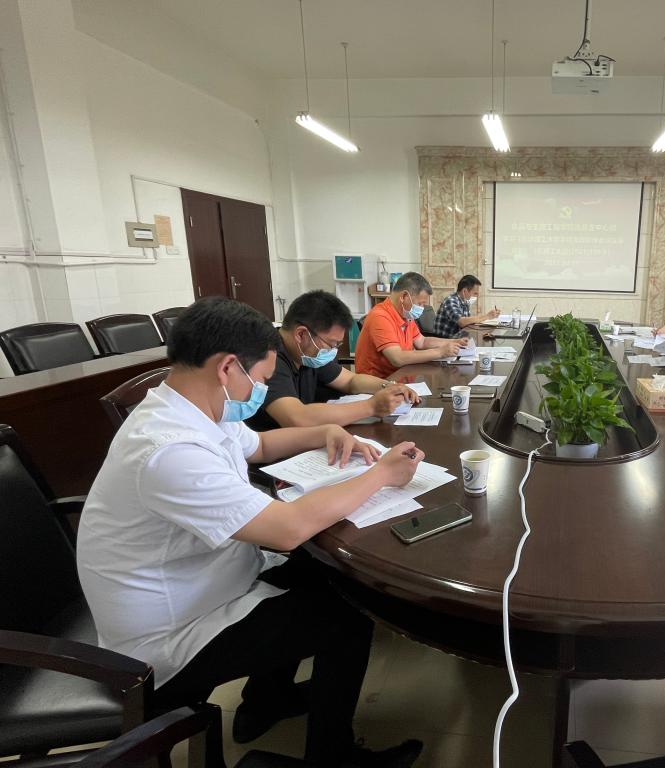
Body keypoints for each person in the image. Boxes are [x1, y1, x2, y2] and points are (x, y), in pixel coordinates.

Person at [76, 297, 424, 768]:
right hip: (167, 638)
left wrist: (323, 433)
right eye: (260, 379)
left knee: (324, 574)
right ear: (227, 368)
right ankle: (333, 757)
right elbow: (287, 528)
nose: (260, 389)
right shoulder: (168, 450)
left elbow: (258, 444)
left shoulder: (190, 405)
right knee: (345, 621)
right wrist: (381, 475)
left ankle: (266, 701)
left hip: (206, 582)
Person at [246, 289, 420, 431]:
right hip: (274, 456)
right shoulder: (269, 358)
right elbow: (296, 418)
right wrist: (371, 407)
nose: (333, 351)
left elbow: (351, 381)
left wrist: (389, 386)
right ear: (301, 334)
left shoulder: (307, 354)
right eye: (331, 344)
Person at [355, 271, 467, 378]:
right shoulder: (380, 317)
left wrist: (453, 342)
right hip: (380, 382)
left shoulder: (405, 315)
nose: (422, 308)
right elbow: (397, 358)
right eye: (420, 303)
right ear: (404, 296)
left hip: (401, 375)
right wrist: (440, 352)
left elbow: (422, 342)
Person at [434, 274, 500, 338]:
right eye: (475, 293)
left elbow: (468, 322)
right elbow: (462, 322)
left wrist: (489, 318)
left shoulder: (464, 302)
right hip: (447, 341)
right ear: (464, 291)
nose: (477, 296)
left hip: (458, 339)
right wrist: (487, 316)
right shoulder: (451, 301)